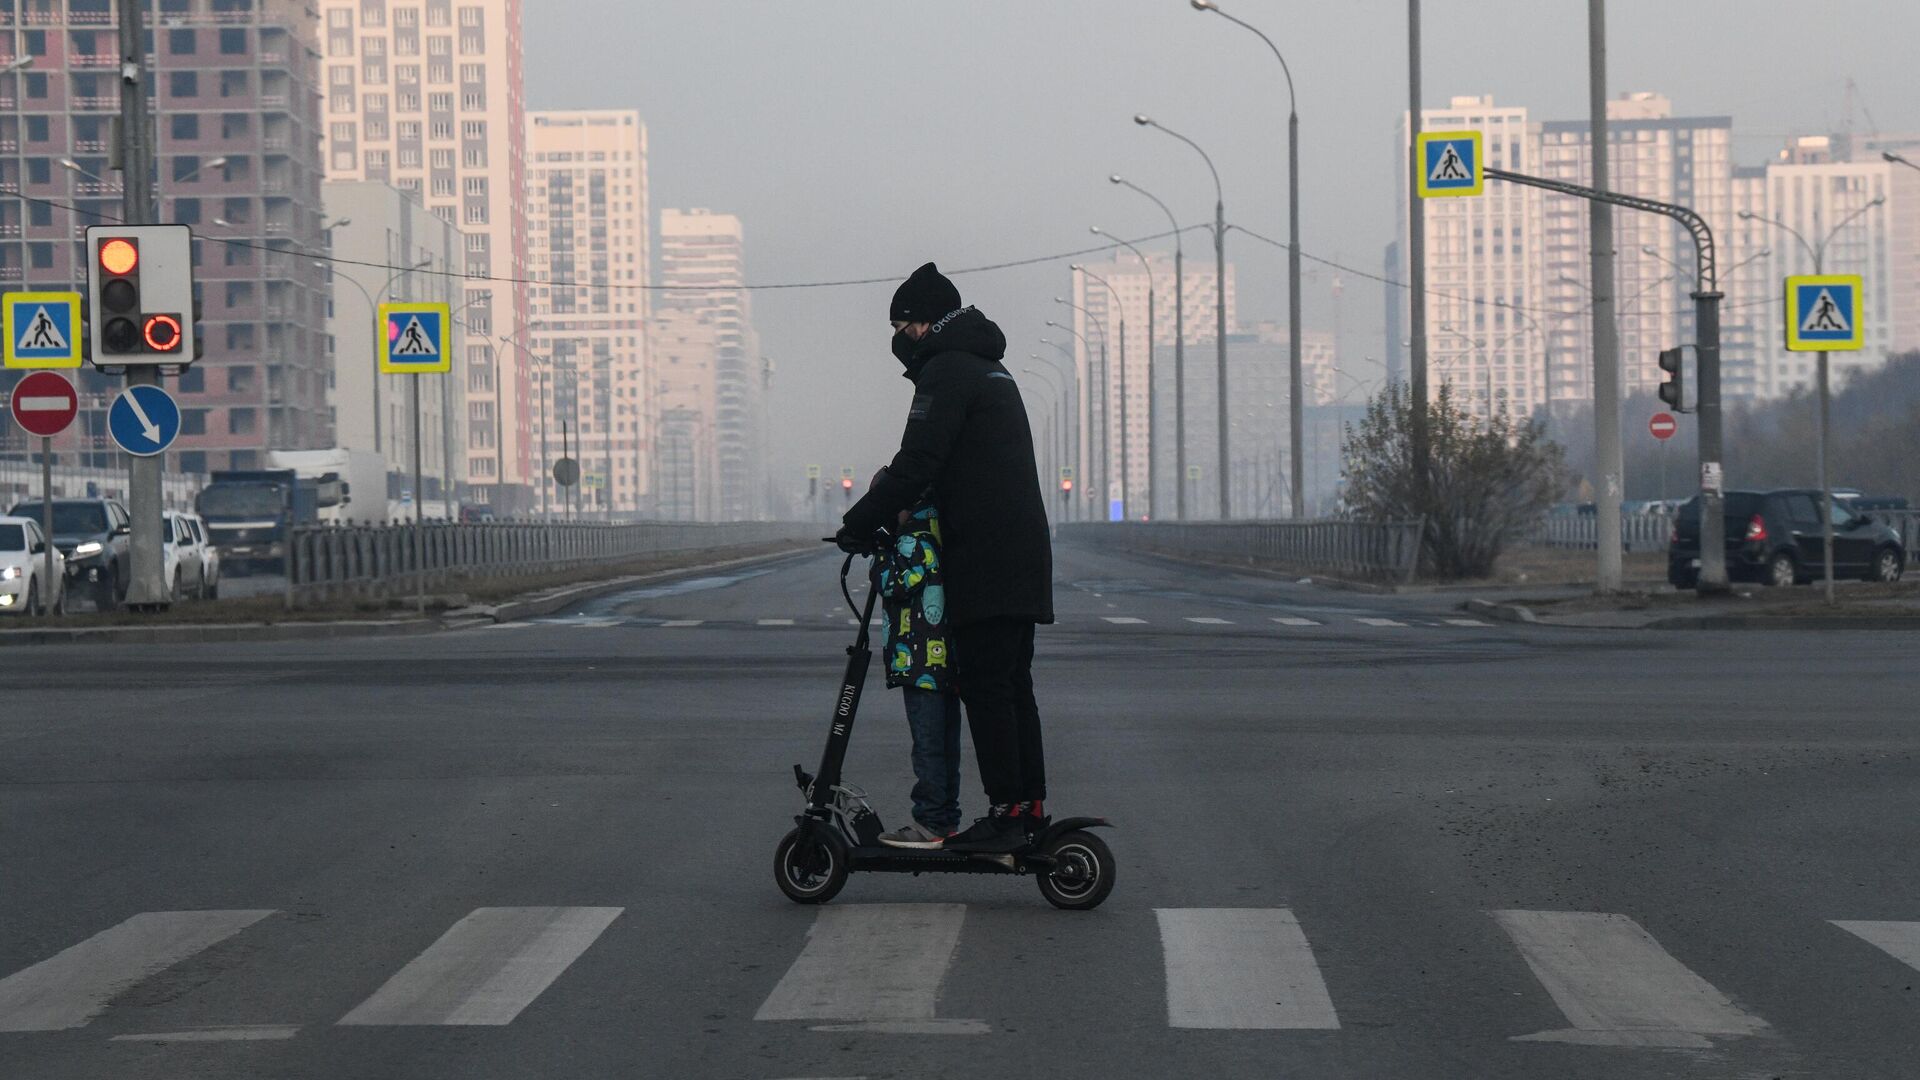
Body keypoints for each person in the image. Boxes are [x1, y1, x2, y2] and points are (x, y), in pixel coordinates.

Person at [839, 262, 1054, 853]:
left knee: (988, 689)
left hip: (984, 557)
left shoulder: (948, 371)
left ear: (922, 323)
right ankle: (1026, 807)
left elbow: (918, 462)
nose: (902, 341)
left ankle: (1008, 816)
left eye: (903, 327)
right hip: (1020, 554)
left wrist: (859, 523)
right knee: (1011, 687)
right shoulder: (990, 368)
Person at [871, 494, 964, 849]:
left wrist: (881, 549)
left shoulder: (912, 541)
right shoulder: (940, 538)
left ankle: (929, 821)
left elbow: (893, 582)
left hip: (919, 664)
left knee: (927, 746)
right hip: (945, 664)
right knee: (945, 745)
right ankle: (946, 818)